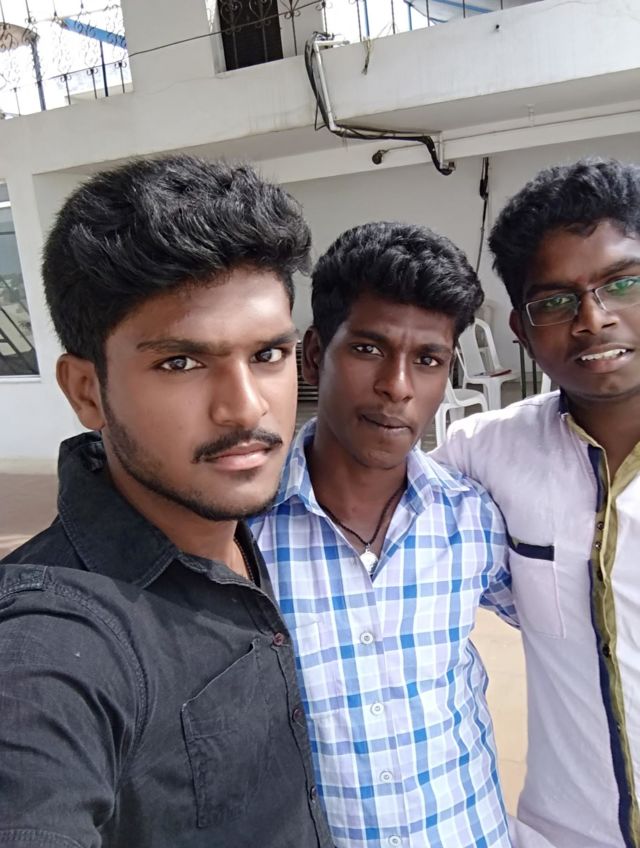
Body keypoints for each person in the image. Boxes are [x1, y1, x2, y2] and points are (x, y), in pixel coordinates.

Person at [0, 156, 333, 848]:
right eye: (181, 363)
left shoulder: (248, 525)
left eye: (267, 355)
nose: (245, 407)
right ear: (87, 391)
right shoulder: (50, 639)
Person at [250, 221, 517, 848]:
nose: (398, 386)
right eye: (369, 349)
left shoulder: (471, 519)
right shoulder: (241, 535)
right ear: (314, 354)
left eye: (428, 360)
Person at [433, 157, 640, 848]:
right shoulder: (483, 454)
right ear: (521, 331)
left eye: (623, 283)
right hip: (567, 832)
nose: (593, 319)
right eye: (554, 302)